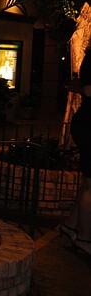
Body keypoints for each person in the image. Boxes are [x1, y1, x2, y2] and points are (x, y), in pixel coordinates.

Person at [63, 46, 91, 256]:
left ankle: (71, 226)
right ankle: (84, 238)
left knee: (88, 183)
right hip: (89, 124)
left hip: (86, 122)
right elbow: (87, 89)